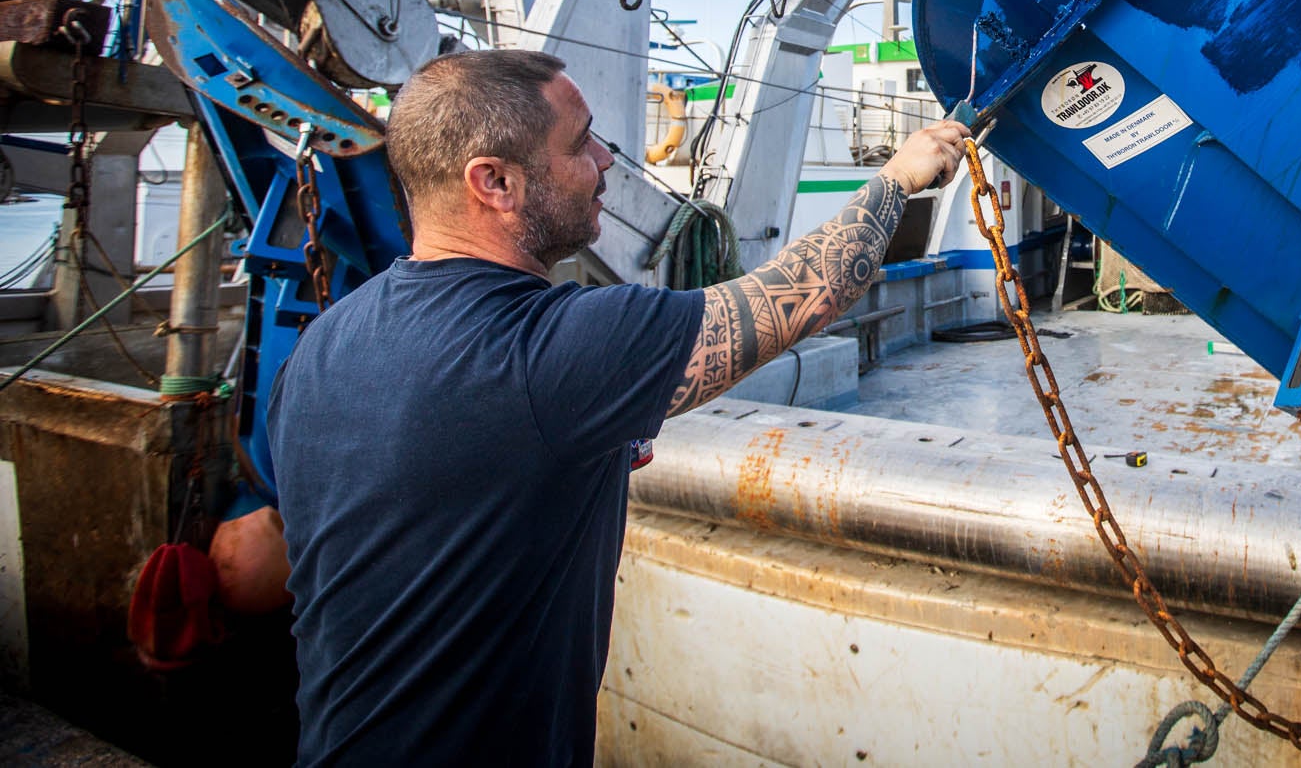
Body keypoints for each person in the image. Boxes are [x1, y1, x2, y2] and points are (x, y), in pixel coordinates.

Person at [268, 49, 968, 767]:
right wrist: (900, 174)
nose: (606, 159)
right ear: (495, 182)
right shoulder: (549, 349)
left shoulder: (316, 354)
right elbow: (810, 287)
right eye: (580, 143)